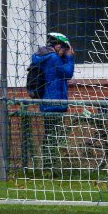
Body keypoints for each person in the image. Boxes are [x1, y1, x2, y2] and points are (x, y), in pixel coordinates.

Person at [32, 32, 76, 173]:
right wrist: (70, 58)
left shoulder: (46, 57)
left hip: (48, 101)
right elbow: (67, 73)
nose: (65, 51)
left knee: (50, 134)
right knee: (52, 136)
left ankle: (48, 165)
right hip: (54, 102)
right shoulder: (53, 58)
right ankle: (49, 166)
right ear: (57, 45)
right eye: (64, 48)